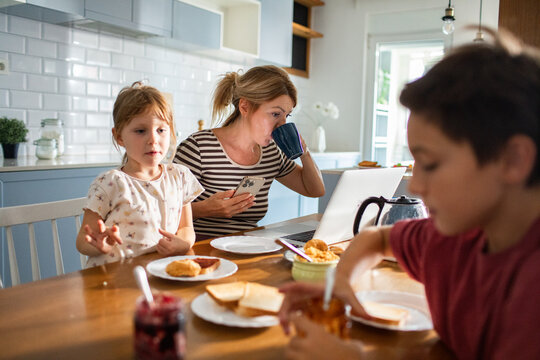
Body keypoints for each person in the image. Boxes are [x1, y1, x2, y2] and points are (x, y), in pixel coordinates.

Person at [278, 28, 540, 360]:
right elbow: (376, 239)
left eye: (429, 163)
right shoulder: (455, 239)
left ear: (513, 159)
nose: (415, 186)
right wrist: (340, 284)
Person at [174, 65, 325, 238]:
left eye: (287, 116)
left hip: (250, 248)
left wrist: (304, 151)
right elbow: (161, 212)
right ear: (245, 107)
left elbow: (315, 190)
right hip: (202, 250)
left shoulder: (271, 153)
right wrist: (204, 210)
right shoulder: (198, 148)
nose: (282, 125)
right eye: (275, 114)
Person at [76, 82, 203, 267]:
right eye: (140, 131)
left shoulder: (180, 176)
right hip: (112, 281)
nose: (153, 139)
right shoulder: (111, 182)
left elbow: (186, 228)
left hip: (158, 276)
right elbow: (82, 241)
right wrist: (98, 245)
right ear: (119, 136)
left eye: (161, 130)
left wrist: (183, 244)